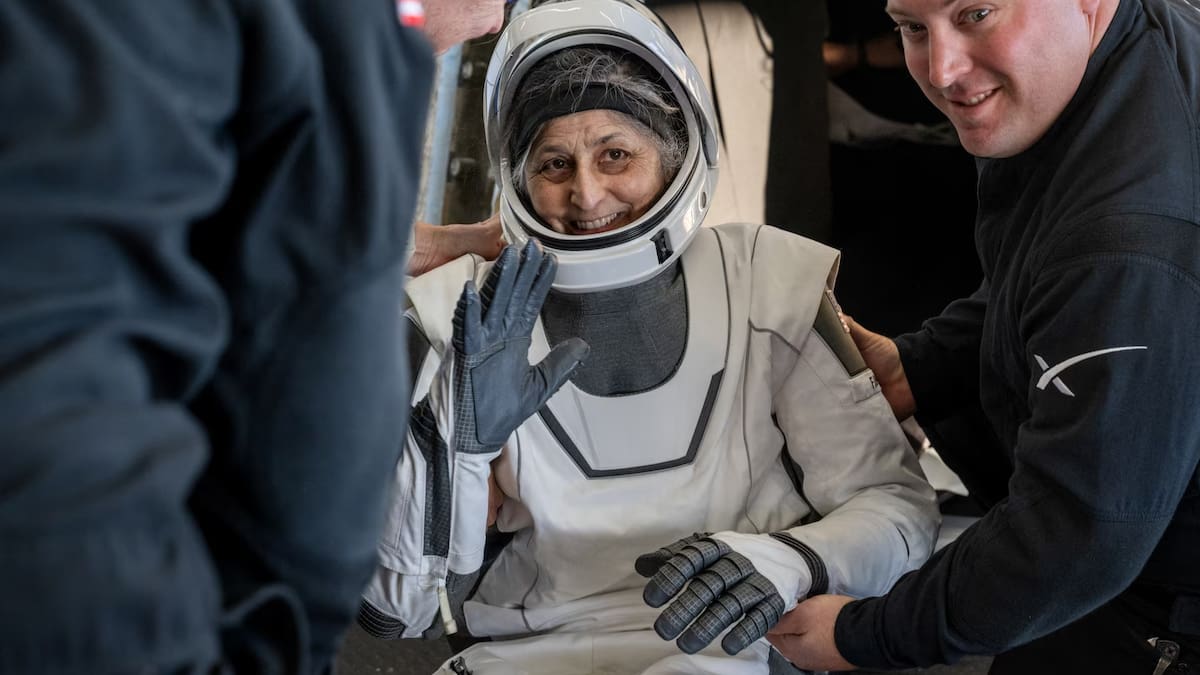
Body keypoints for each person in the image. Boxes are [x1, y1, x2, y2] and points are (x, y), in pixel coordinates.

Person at [357, 1, 940, 673]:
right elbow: (398, 610)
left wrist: (788, 561)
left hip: (731, 652)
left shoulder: (767, 282)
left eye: (615, 154)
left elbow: (897, 508)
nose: (587, 193)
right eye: (553, 165)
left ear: (674, 157)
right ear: (516, 181)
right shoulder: (468, 314)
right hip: (522, 654)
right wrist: (454, 442)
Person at [0, 1, 505, 673]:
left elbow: (249, 214)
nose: (490, 19)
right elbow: (52, 357)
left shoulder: (321, 42)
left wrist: (441, 242)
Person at [766, 0, 1200, 673]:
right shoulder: (1109, 58)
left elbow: (1076, 533)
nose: (942, 71)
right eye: (912, 26)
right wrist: (921, 364)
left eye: (976, 13)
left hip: (1155, 614)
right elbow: (1047, 270)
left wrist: (862, 633)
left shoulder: (1128, 240)